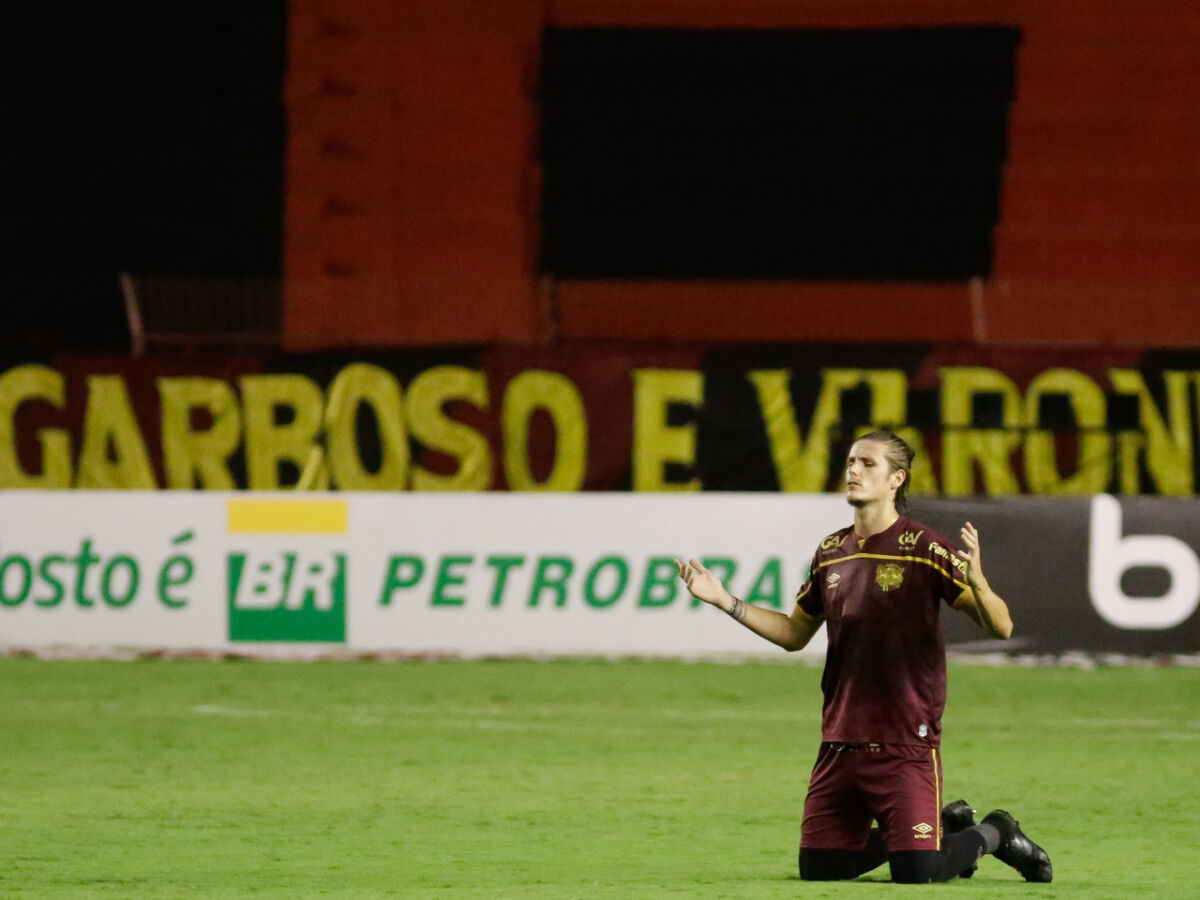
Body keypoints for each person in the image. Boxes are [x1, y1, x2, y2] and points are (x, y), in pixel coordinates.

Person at [674, 430, 1053, 884]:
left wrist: (981, 582)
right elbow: (794, 633)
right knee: (820, 870)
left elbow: (1002, 626)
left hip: (904, 745)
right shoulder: (831, 552)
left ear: (897, 478)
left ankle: (996, 830)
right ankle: (943, 827)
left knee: (917, 872)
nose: (853, 470)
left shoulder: (926, 548)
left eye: (867, 463)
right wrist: (725, 601)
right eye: (851, 461)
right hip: (839, 743)